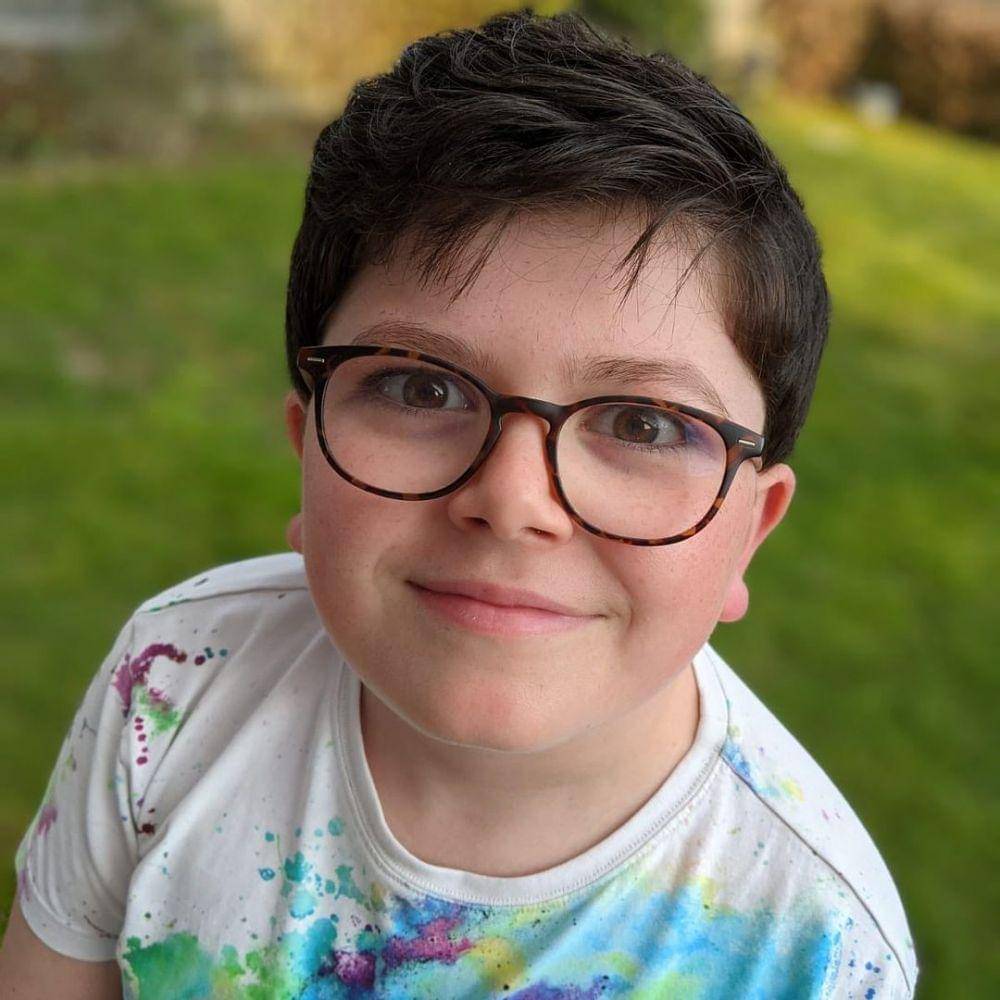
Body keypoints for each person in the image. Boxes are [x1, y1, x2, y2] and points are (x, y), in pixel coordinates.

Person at [1, 9, 920, 998]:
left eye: (643, 424)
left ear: (750, 531)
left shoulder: (816, 947)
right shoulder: (174, 686)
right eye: (422, 387)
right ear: (308, 445)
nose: (513, 499)